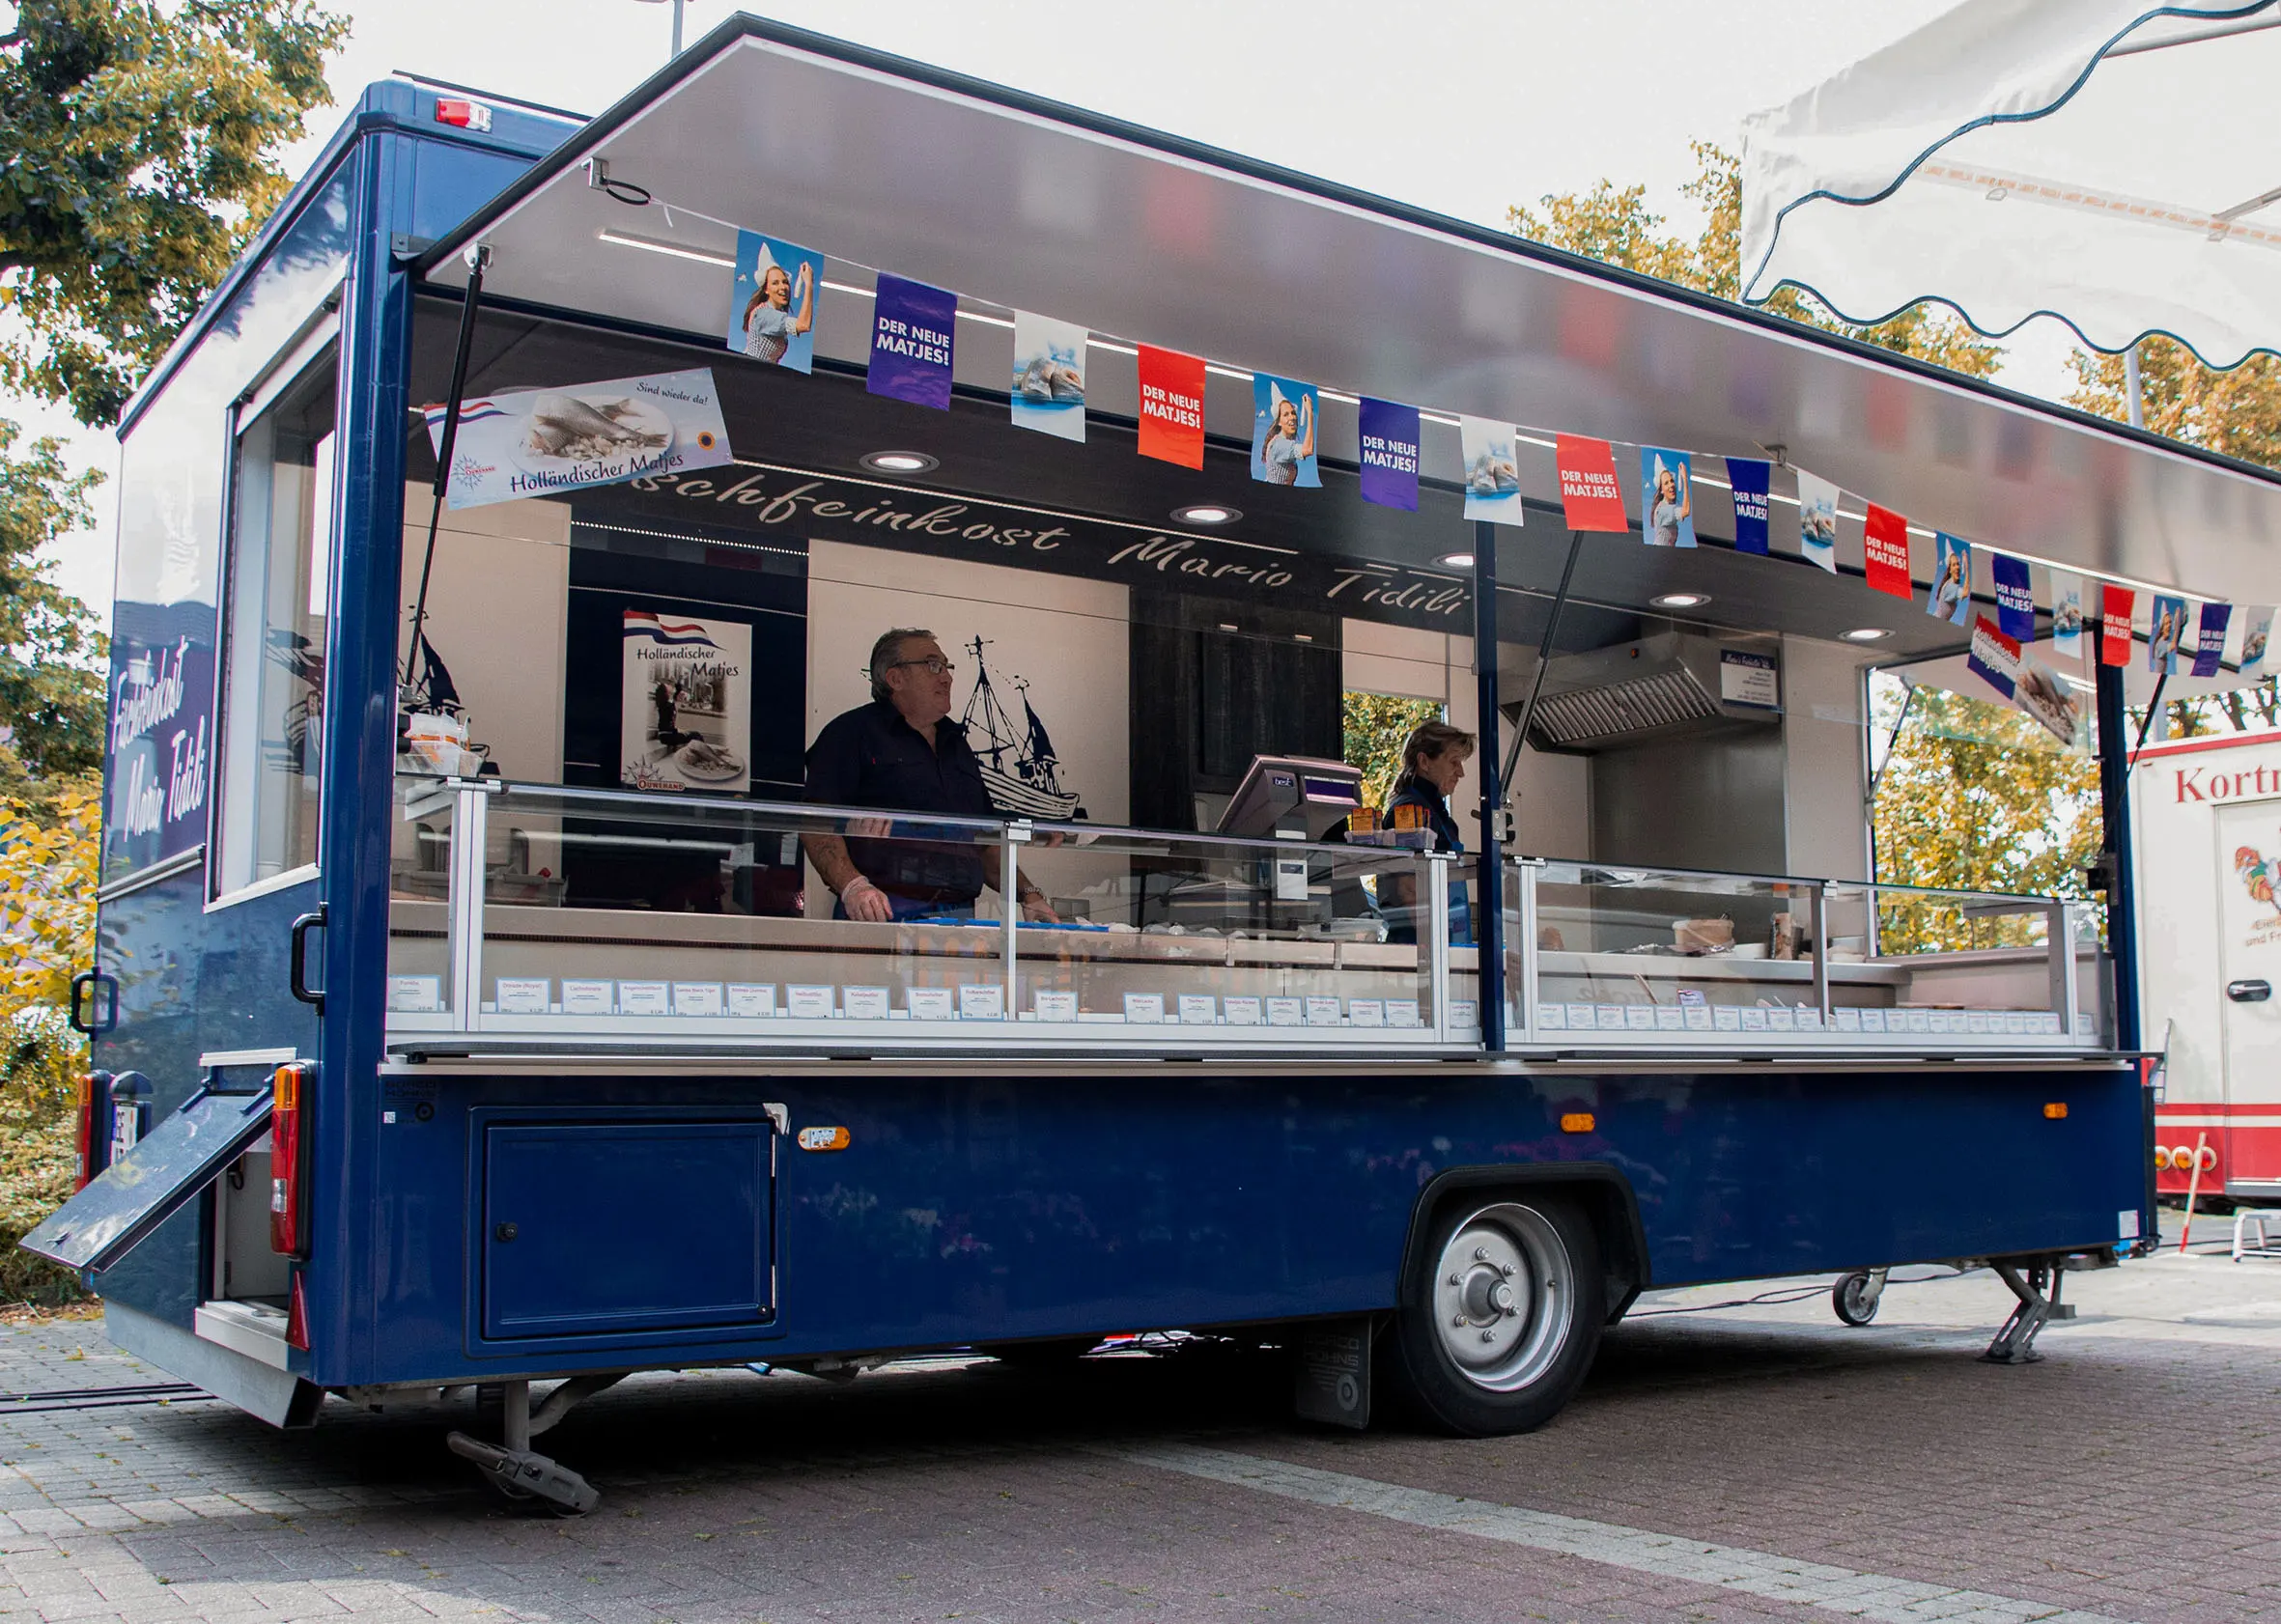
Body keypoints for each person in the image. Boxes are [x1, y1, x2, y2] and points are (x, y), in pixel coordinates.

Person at [803, 629, 1057, 923]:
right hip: (881, 909)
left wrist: (1029, 894)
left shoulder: (956, 744)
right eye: (933, 665)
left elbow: (982, 841)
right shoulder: (850, 733)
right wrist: (853, 886)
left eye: (947, 667)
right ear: (895, 678)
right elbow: (815, 822)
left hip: (958, 916)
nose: (947, 677)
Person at [1378, 718, 1476, 946]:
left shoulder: (1437, 815)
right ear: (1424, 762)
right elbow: (1409, 889)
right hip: (1419, 945)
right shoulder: (1409, 812)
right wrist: (1432, 948)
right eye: (1454, 762)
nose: (1461, 772)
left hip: (1445, 941)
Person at [741, 256, 814, 364]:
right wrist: (808, 284)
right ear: (766, 289)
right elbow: (803, 325)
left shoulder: (775, 314)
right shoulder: (764, 313)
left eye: (785, 282)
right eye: (775, 283)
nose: (783, 287)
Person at [1258, 390, 1314, 485]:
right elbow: (1308, 449)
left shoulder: (1281, 442)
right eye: (1286, 414)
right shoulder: (1279, 444)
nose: (1292, 417)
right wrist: (1310, 413)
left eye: (1293, 413)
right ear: (1279, 422)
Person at [1647, 462, 1691, 547]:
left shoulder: (1665, 507)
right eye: (1666, 483)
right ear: (1661, 490)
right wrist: (1685, 480)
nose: (1671, 485)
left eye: (1671, 481)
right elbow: (1686, 511)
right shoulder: (1663, 509)